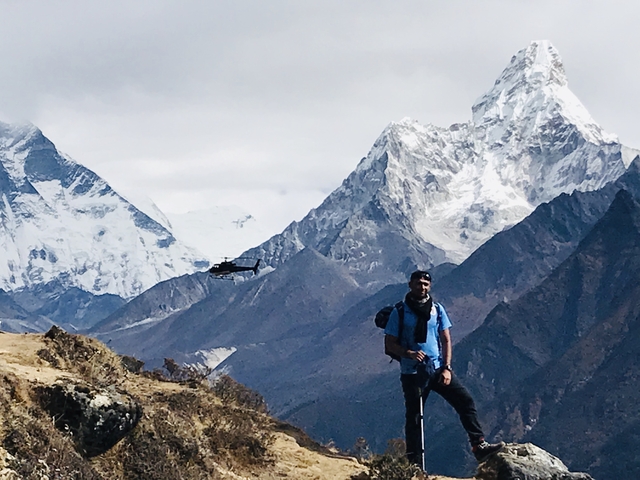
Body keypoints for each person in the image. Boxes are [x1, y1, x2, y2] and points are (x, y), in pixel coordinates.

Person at [384, 270, 504, 468]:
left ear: (429, 286)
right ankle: (413, 464)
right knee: (414, 417)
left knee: (465, 401)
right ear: (410, 284)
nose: (422, 287)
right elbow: (390, 344)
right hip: (412, 373)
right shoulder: (400, 312)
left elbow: (446, 339)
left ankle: (478, 446)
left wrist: (447, 368)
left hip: (437, 370)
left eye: (425, 284)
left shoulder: (437, 310)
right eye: (418, 283)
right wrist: (409, 353)